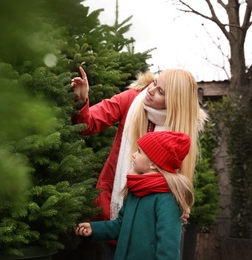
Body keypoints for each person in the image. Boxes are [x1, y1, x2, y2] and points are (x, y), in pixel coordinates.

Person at [71, 67, 207, 257]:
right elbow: (88, 124)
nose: (150, 90)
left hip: (147, 225)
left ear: (174, 103)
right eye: (155, 83)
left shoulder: (181, 132)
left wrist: (180, 207)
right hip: (110, 207)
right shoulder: (131, 99)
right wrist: (81, 100)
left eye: (161, 92)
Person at [75, 131, 194, 260]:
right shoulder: (136, 188)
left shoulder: (168, 198)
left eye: (139, 152)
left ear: (153, 164)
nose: (133, 155)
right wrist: (94, 229)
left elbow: (168, 247)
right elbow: (121, 225)